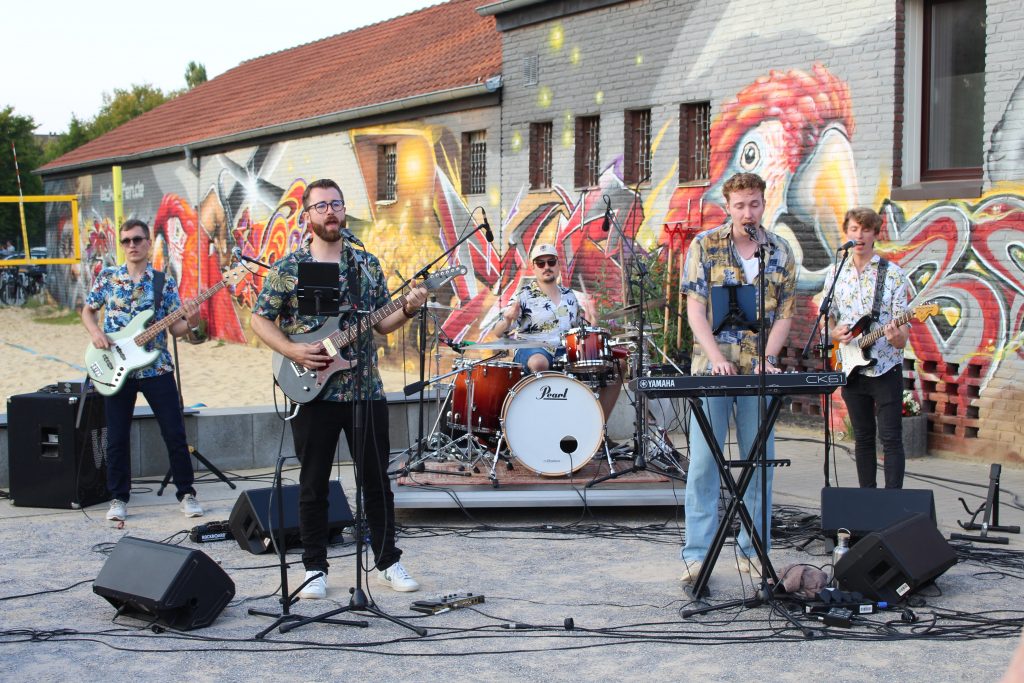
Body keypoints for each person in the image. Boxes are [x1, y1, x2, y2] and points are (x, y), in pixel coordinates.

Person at [250, 178, 428, 599]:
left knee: (376, 481)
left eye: (336, 203)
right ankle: (314, 568)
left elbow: (382, 323)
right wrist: (293, 350)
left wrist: (407, 308)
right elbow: (260, 319)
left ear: (344, 210)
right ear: (307, 215)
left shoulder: (365, 265)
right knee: (313, 483)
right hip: (314, 392)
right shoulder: (289, 268)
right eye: (321, 205)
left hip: (364, 390)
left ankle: (387, 561)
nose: (330, 211)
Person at [679, 172, 798, 585]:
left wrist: (768, 358)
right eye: (740, 205)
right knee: (704, 463)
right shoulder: (705, 245)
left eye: (755, 204)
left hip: (757, 373)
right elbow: (695, 310)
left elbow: (785, 313)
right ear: (728, 207)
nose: (748, 212)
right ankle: (697, 556)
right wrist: (716, 357)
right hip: (712, 369)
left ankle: (753, 550)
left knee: (758, 462)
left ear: (764, 203)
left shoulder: (779, 250)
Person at [81, 219, 205, 522]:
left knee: (174, 432)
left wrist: (192, 320)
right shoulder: (108, 277)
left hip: (156, 368)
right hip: (116, 367)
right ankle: (118, 498)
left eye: (137, 239)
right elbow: (88, 310)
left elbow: (175, 329)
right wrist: (95, 333)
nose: (132, 245)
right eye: (126, 241)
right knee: (116, 437)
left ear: (149, 243)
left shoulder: (164, 281)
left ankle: (186, 494)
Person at [824, 207, 910, 489]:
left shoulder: (893, 275)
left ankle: (893, 502)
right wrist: (833, 331)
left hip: (885, 367)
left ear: (875, 234)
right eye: (854, 229)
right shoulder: (836, 272)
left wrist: (896, 337)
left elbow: (903, 336)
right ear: (846, 233)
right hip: (850, 366)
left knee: (891, 438)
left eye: (865, 230)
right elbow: (828, 316)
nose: (859, 236)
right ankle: (867, 500)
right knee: (862, 438)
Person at [490, 243, 623, 420]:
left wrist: (592, 322)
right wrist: (507, 319)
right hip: (531, 348)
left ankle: (598, 427)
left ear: (558, 265)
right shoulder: (523, 295)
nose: (546, 267)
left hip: (565, 351)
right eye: (541, 263)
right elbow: (497, 332)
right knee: (539, 362)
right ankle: (545, 420)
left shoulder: (569, 296)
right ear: (533, 268)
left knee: (618, 366)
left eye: (551, 262)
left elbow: (578, 331)